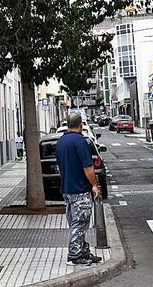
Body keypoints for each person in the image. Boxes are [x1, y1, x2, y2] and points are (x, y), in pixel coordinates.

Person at [56, 112, 102, 266]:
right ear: (81, 125)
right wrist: (94, 185)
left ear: (67, 124)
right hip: (80, 189)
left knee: (75, 221)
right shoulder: (80, 141)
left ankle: (83, 251)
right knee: (80, 222)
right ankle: (74, 255)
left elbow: (61, 168)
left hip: (67, 189)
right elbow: (88, 166)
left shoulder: (61, 141)